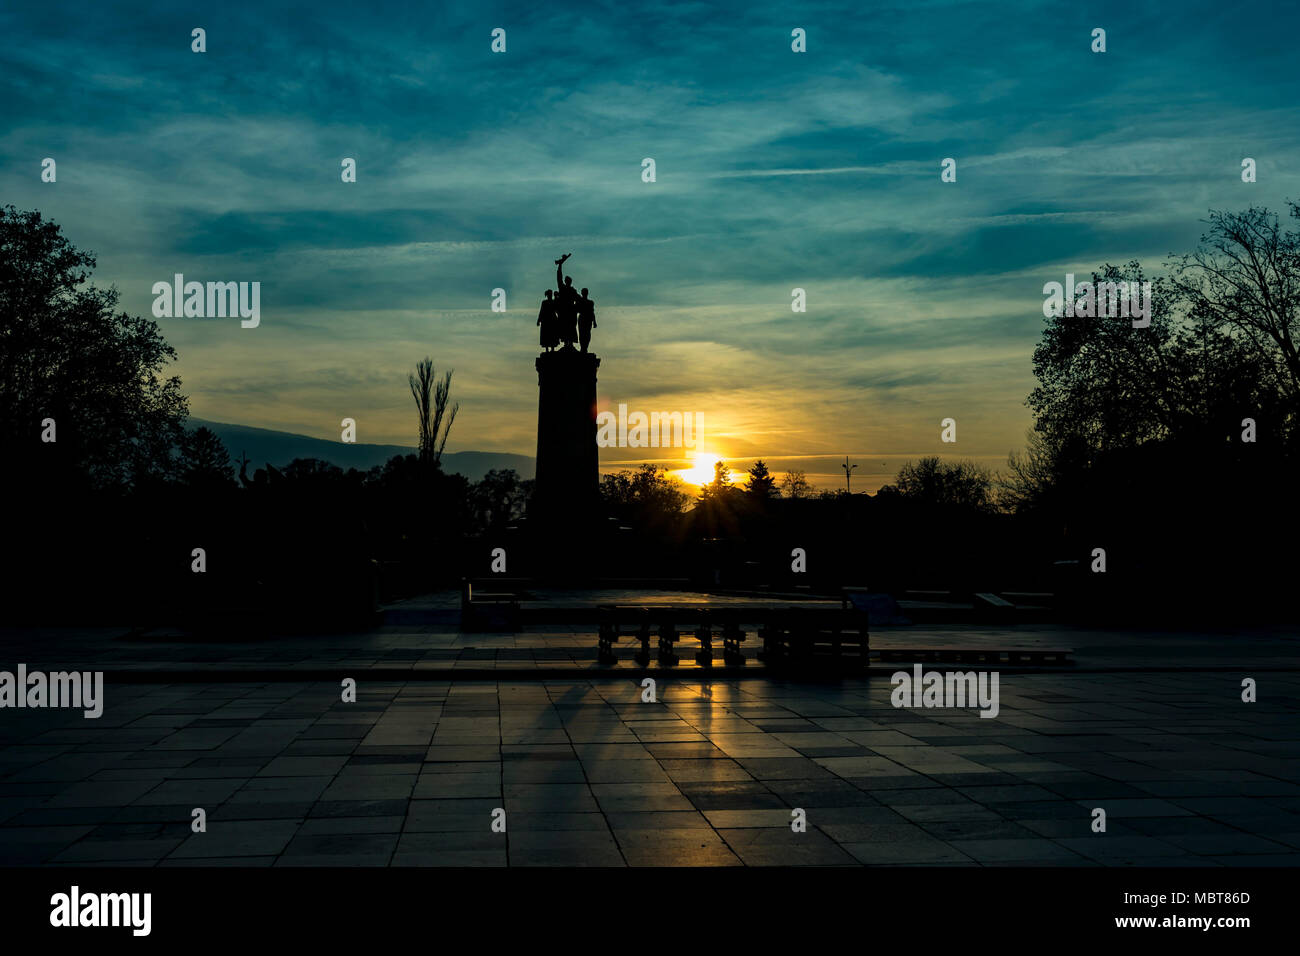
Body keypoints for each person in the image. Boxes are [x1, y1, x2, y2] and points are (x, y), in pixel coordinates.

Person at [555, 254, 579, 348]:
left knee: (570, 327)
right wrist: (560, 265)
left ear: (569, 281)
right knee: (565, 326)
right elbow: (559, 277)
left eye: (567, 280)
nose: (566, 281)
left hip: (569, 311)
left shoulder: (571, 290)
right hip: (565, 311)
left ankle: (570, 343)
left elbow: (578, 299)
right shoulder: (563, 288)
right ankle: (566, 342)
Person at [578, 288, 596, 353]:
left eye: (585, 292)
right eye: (583, 292)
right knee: (582, 334)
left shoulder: (590, 302)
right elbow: (577, 309)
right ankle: (583, 348)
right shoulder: (580, 301)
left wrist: (594, 321)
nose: (584, 294)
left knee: (587, 334)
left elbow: (592, 312)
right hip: (582, 319)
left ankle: (585, 348)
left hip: (587, 319)